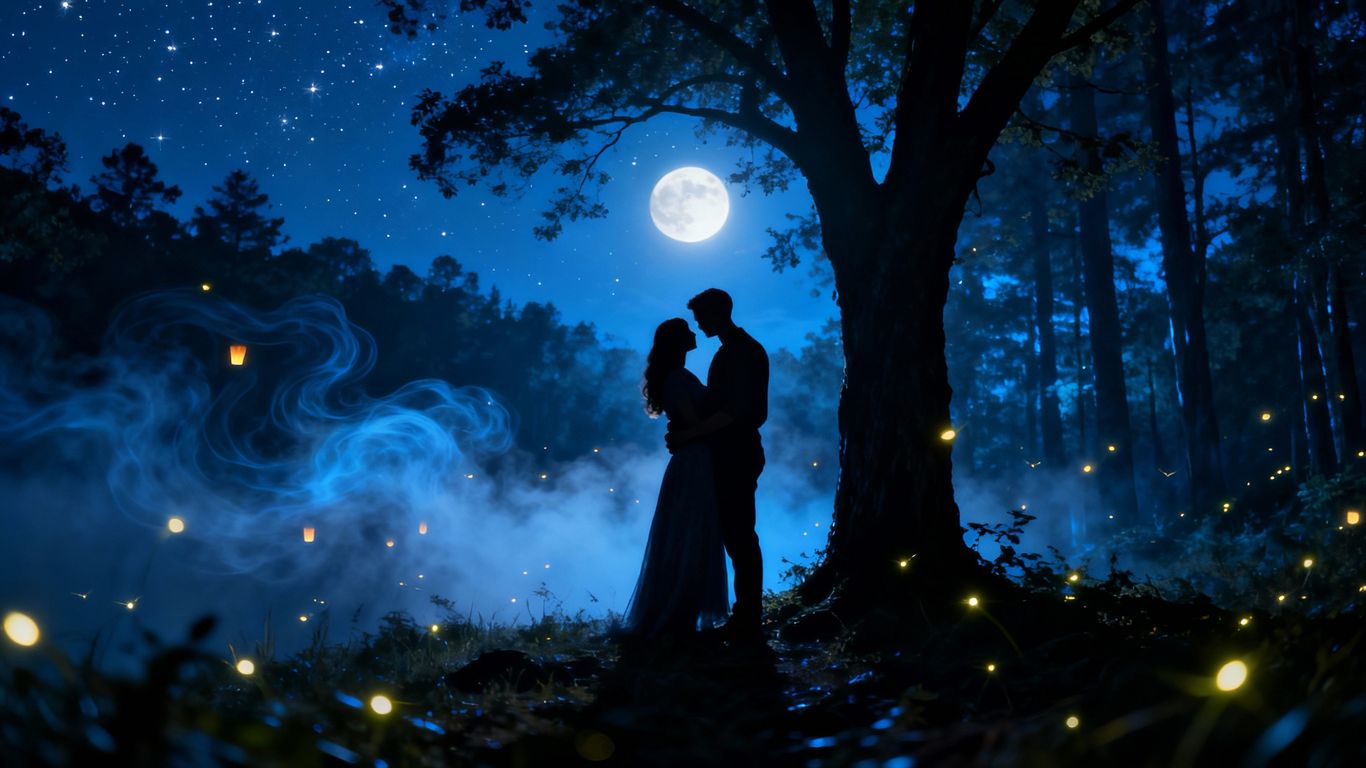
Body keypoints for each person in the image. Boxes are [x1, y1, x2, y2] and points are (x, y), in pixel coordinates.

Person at [666, 288, 768, 645]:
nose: (697, 324)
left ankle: (748, 616)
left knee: (739, 534)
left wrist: (688, 433)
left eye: (700, 317)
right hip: (730, 452)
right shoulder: (734, 351)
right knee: (736, 534)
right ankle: (745, 614)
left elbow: (734, 412)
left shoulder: (740, 353)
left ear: (716, 315)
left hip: (737, 452)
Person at [622, 318, 729, 638]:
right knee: (691, 528)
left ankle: (683, 606)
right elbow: (694, 422)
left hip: (693, 456)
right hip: (693, 459)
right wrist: (725, 418)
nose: (694, 333)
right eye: (687, 332)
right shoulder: (677, 378)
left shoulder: (676, 376)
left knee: (691, 528)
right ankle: (679, 608)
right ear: (677, 341)